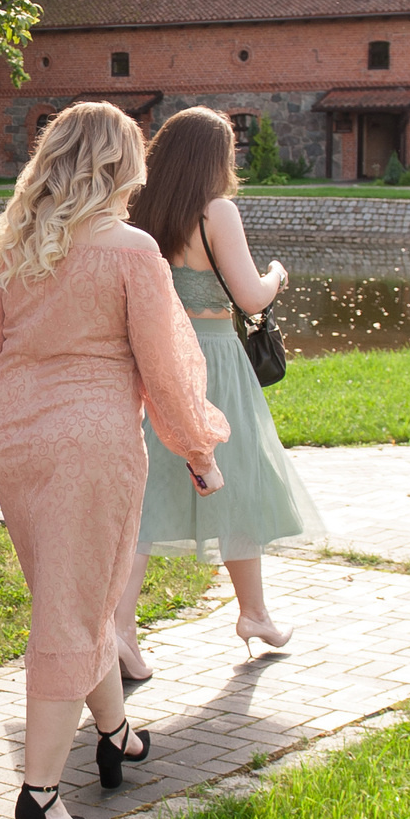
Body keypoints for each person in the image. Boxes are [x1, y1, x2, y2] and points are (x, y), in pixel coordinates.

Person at [0, 102, 228, 819]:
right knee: (71, 608)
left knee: (72, 594)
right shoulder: (131, 250)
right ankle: (39, 797)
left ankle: (117, 734)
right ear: (119, 164)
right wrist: (198, 450)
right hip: (92, 441)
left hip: (18, 438)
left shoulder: (14, 243)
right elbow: (163, 369)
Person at [114, 106, 321, 675]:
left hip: (155, 359)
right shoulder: (217, 212)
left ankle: (122, 631)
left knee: (148, 493)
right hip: (212, 360)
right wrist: (278, 274)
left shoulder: (140, 210)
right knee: (239, 480)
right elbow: (251, 297)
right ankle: (252, 613)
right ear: (215, 158)